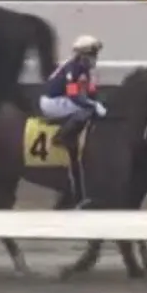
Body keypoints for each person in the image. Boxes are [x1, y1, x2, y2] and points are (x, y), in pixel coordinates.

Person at [39, 34, 106, 206]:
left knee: (89, 108)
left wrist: (97, 101)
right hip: (51, 102)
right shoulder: (73, 68)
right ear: (82, 56)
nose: (95, 58)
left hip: (62, 98)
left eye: (95, 55)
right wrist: (93, 105)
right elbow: (74, 96)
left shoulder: (84, 70)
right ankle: (63, 136)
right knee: (85, 109)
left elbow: (90, 94)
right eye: (92, 55)